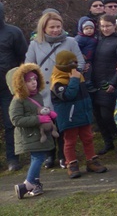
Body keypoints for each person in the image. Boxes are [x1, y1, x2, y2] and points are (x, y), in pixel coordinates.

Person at [25, 11, 85, 169]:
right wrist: (32, 82)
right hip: (43, 89)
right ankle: (49, 155)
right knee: (47, 123)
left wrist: (71, 75)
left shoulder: (71, 42)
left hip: (62, 88)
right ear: (43, 28)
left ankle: (63, 156)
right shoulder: (35, 44)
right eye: (52, 27)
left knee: (62, 122)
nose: (56, 30)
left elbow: (80, 62)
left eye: (58, 26)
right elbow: (28, 66)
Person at [50, 50, 107, 178]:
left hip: (83, 113)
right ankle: (71, 163)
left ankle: (92, 160)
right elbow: (68, 95)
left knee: (88, 138)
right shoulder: (58, 81)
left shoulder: (78, 75)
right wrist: (74, 80)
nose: (74, 65)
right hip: (69, 117)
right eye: (71, 63)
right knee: (70, 141)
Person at [10, 64, 55, 199]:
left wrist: (48, 114)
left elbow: (39, 110)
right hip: (29, 135)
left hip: (38, 134)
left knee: (38, 157)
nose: (33, 82)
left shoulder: (37, 96)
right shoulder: (18, 100)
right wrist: (38, 119)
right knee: (39, 157)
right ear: (21, 83)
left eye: (35, 79)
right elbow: (16, 120)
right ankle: (27, 184)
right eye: (29, 80)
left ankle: (35, 185)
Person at [91, 15, 117, 155]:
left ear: (115, 25)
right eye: (102, 26)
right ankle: (108, 142)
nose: (105, 29)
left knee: (108, 114)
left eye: (108, 26)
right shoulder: (100, 40)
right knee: (98, 116)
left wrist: (114, 82)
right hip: (96, 82)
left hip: (110, 83)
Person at [0, 1, 27, 172]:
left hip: (8, 85)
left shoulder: (13, 32)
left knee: (11, 122)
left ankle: (13, 158)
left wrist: (19, 80)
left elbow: (24, 57)